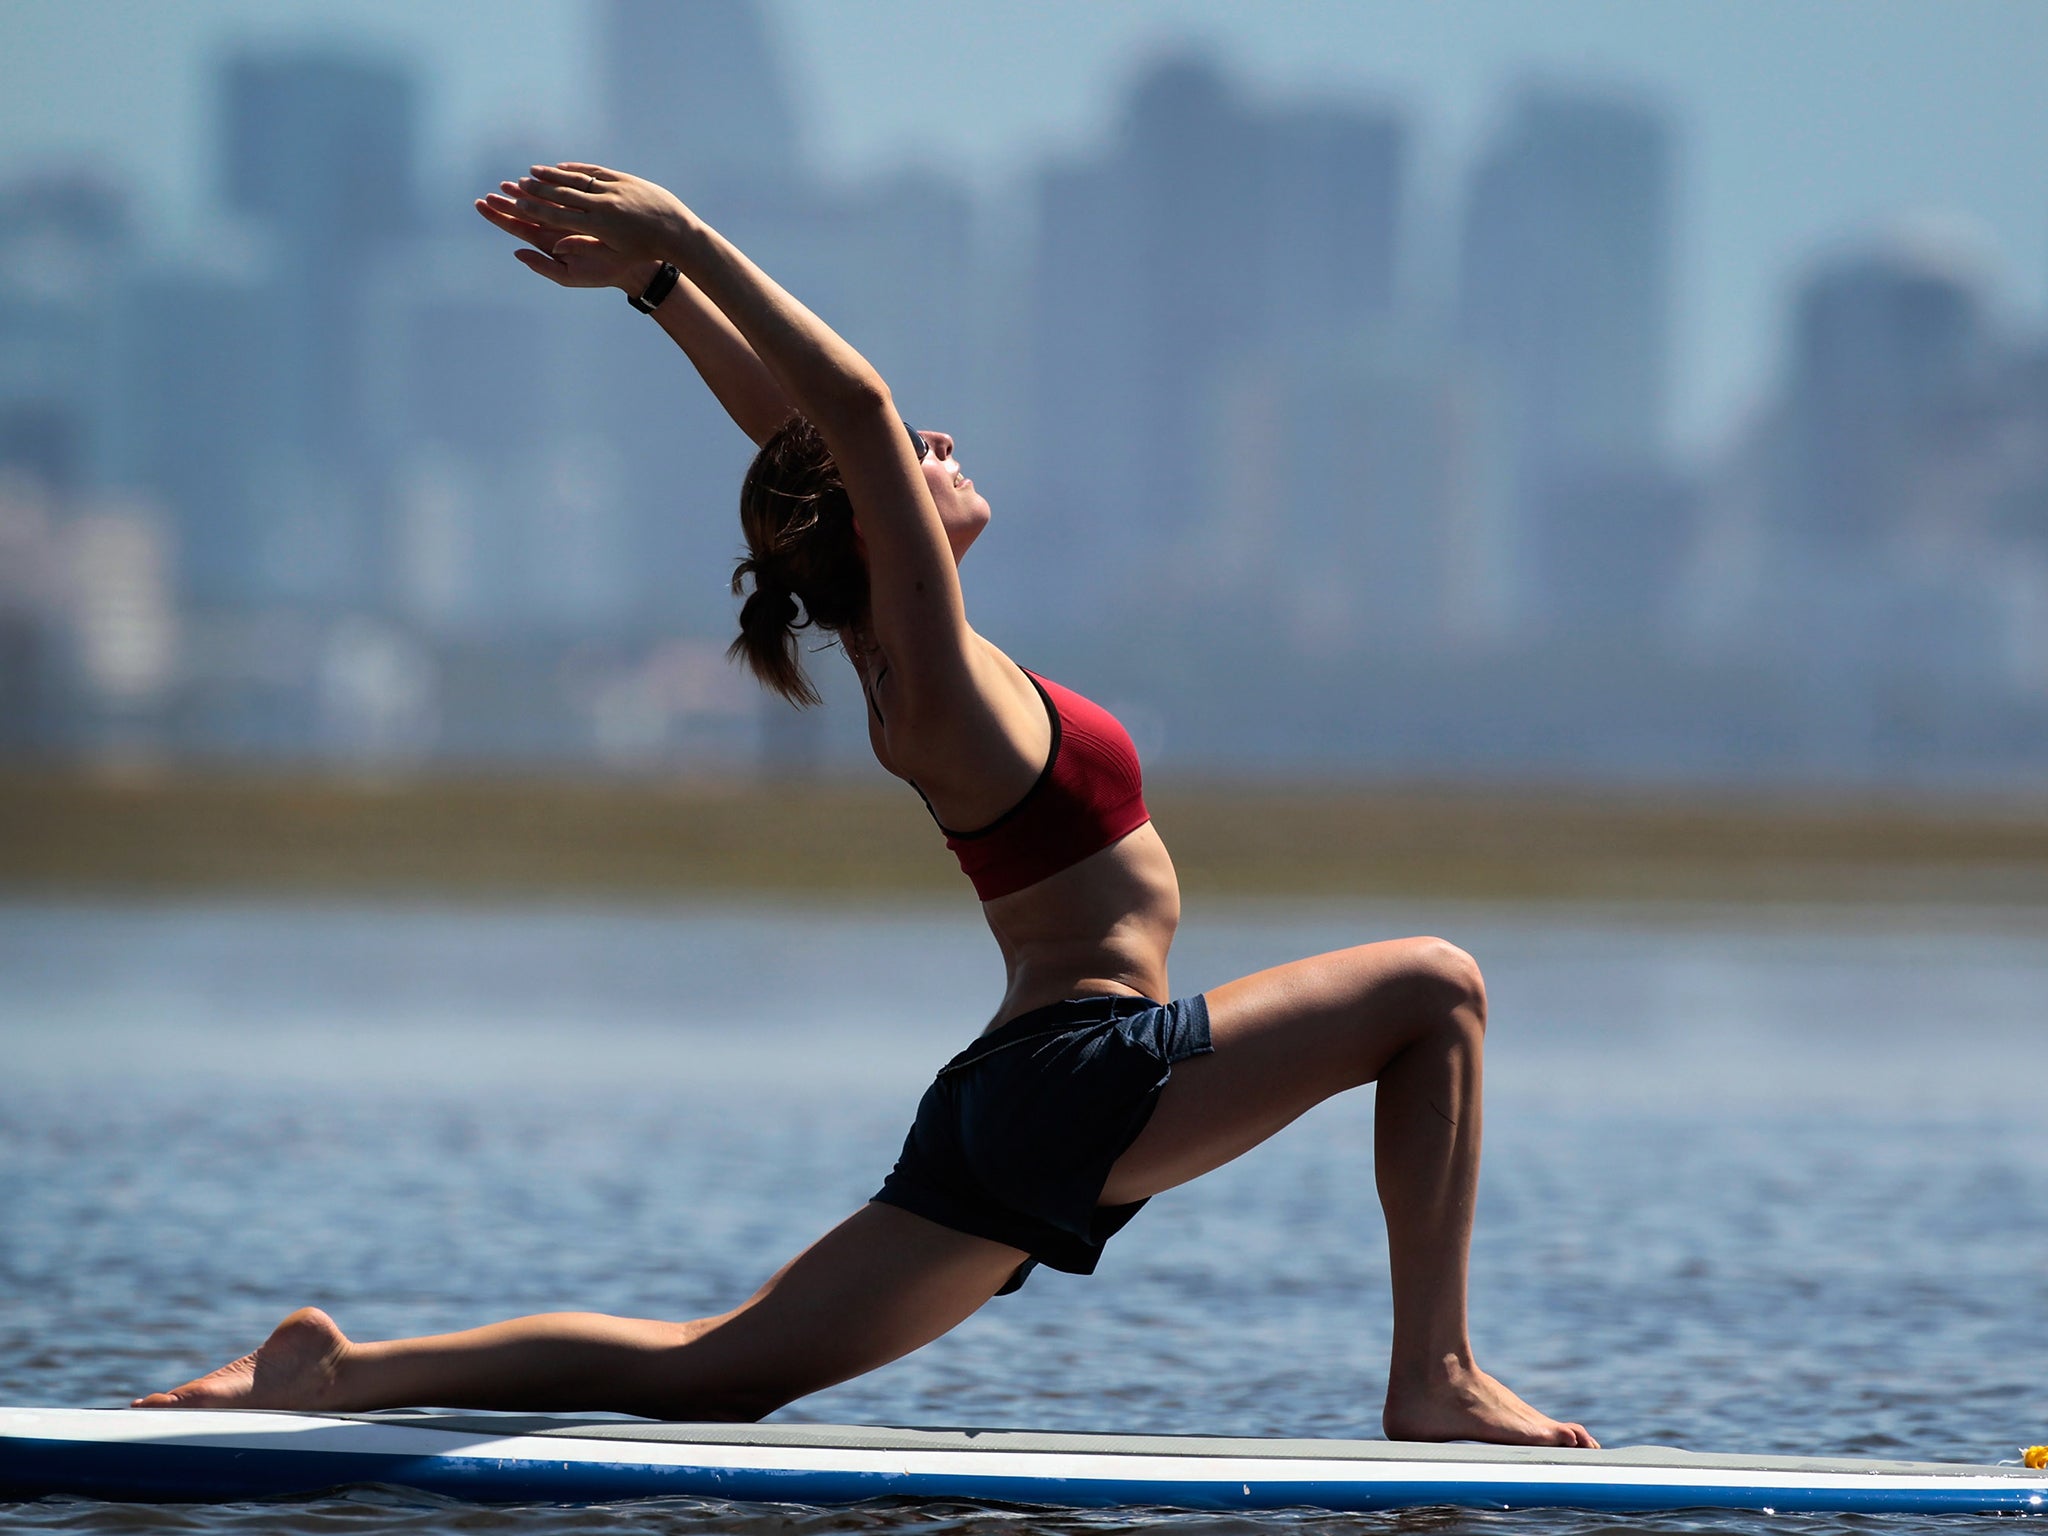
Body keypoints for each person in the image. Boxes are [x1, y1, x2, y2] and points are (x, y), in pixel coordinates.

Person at [135, 163, 1595, 1448]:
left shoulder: (903, 651)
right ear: (880, 519)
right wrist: (689, 233)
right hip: (1086, 1074)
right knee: (1438, 989)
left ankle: (333, 1374)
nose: (939, 451)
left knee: (720, 1374)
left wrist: (659, 290)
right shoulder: (938, 674)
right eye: (918, 468)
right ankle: (1438, 1373)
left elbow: (808, 441)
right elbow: (851, 410)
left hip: (1012, 1098)